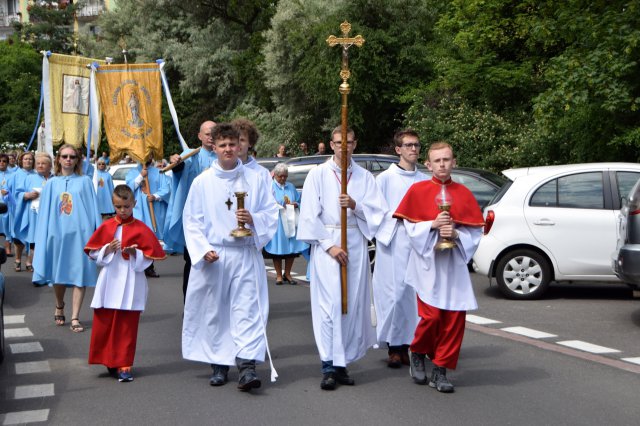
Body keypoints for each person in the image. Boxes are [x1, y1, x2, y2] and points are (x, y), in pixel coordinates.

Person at [182, 123, 279, 391]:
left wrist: (254, 219)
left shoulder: (257, 179)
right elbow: (192, 220)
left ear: (240, 146)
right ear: (214, 147)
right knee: (217, 311)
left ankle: (247, 367)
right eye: (222, 145)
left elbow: (271, 213)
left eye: (232, 144)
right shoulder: (203, 181)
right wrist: (202, 249)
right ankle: (218, 365)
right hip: (216, 255)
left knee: (248, 309)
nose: (228, 149)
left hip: (245, 253)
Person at [297, 126, 387, 390]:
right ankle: (327, 365)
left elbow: (379, 213)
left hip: (356, 243)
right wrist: (329, 246)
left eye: (348, 142)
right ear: (331, 144)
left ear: (355, 144)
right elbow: (309, 215)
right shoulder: (318, 175)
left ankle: (342, 364)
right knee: (329, 308)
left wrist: (356, 206)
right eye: (338, 142)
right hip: (328, 247)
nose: (343, 147)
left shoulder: (365, 177)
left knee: (351, 307)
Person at [393, 141, 484, 393]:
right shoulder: (417, 190)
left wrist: (456, 234)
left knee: (454, 319)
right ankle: (418, 351)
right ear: (428, 164)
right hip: (427, 265)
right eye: (437, 161)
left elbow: (475, 232)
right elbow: (410, 229)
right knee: (432, 317)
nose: (442, 164)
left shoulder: (464, 193)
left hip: (453, 264)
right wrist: (432, 225)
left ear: (454, 162)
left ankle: (440, 371)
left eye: (447, 160)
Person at [85, 185, 166, 382]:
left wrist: (135, 253)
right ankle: (109, 360)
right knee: (106, 321)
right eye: (118, 206)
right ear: (113, 205)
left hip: (131, 280)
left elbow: (148, 258)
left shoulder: (141, 228)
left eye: (127, 206)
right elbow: (94, 254)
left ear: (134, 204)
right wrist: (107, 249)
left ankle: (124, 364)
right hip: (109, 280)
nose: (122, 211)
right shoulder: (106, 226)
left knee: (126, 325)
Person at [372, 129, 427, 368]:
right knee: (393, 296)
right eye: (408, 145)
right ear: (398, 150)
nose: (413, 149)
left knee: (414, 297)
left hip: (418, 243)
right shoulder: (385, 179)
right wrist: (396, 222)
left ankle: (412, 345)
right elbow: (375, 211)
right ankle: (394, 346)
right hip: (393, 242)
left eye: (416, 145)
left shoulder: (425, 180)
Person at [32, 144, 101, 333]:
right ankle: (59, 304)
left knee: (80, 276)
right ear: (58, 159)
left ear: (78, 160)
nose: (68, 159)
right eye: (64, 156)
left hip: (81, 236)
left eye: (72, 156)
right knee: (58, 276)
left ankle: (75, 317)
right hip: (58, 236)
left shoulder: (86, 181)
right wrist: (44, 236)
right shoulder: (51, 184)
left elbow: (94, 211)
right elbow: (45, 214)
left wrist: (98, 236)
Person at [166, 120, 217, 299]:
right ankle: (190, 304)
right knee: (193, 261)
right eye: (208, 133)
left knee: (219, 261)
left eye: (214, 133)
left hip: (218, 219)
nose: (211, 137)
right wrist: (176, 162)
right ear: (200, 136)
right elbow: (180, 169)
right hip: (196, 219)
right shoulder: (191, 156)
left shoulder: (224, 156)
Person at [263, 163, 308, 285]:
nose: (283, 179)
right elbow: (266, 203)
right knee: (278, 249)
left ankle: (287, 273)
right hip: (277, 222)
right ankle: (278, 275)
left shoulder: (291, 186)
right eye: (280, 176)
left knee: (291, 249)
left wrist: (295, 204)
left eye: (285, 176)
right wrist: (279, 206)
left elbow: (298, 200)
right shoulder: (270, 187)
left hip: (291, 220)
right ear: (275, 175)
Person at [126, 159, 169, 278]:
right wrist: (141, 176)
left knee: (150, 238)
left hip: (153, 210)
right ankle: (137, 265)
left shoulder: (159, 172)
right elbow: (128, 189)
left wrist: (155, 196)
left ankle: (149, 267)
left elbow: (166, 189)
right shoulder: (132, 172)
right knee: (138, 238)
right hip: (138, 210)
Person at [14, 153, 53, 273]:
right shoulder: (30, 178)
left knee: (45, 241)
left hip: (50, 216)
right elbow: (18, 193)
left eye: (43, 163)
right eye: (38, 163)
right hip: (33, 215)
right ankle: (28, 262)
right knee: (33, 239)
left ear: (50, 166)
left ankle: (36, 263)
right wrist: (26, 195)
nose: (40, 166)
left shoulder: (54, 179)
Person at [11, 151, 36, 272]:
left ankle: (29, 262)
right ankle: (17, 259)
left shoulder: (37, 175)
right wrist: (24, 195)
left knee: (32, 237)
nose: (28, 161)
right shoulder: (15, 175)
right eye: (26, 159)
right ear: (21, 161)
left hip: (33, 210)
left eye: (30, 159)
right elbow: (12, 193)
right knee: (18, 237)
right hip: (19, 210)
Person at [231, 118, 271, 186]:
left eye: (242, 140)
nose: (238, 143)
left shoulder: (262, 173)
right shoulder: (224, 170)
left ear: (250, 143)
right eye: (235, 139)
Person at [0, 154, 15, 257]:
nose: (2, 163)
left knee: (7, 227)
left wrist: (8, 193)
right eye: (0, 161)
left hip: (7, 205)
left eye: (4, 161)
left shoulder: (13, 175)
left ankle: (8, 248)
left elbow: (15, 189)